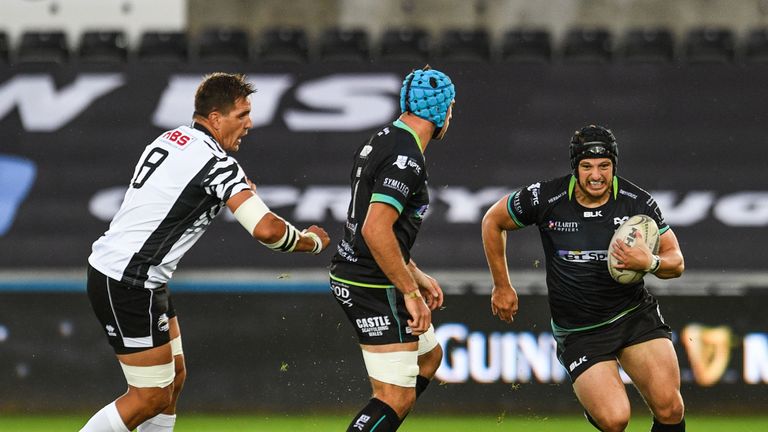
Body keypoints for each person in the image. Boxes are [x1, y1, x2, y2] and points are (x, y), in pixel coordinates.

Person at [80, 72, 330, 432]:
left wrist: (230, 192)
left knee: (175, 378)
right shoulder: (216, 163)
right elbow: (268, 231)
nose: (250, 123)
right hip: (127, 281)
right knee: (149, 396)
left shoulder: (171, 139)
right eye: (241, 115)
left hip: (140, 278)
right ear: (215, 118)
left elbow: (177, 194)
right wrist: (311, 241)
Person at [481, 124, 686, 432]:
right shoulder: (547, 197)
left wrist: (651, 261)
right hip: (580, 332)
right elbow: (492, 221)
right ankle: (596, 405)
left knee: (670, 408)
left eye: (604, 166)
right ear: (575, 167)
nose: (596, 175)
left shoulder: (636, 202)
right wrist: (501, 284)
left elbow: (676, 262)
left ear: (614, 166)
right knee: (615, 420)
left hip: (633, 317)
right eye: (587, 166)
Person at [329, 66, 455, 432]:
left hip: (358, 269)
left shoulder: (382, 139)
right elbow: (375, 228)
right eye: (451, 108)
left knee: (429, 358)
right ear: (442, 111)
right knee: (394, 396)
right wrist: (410, 292)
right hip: (371, 282)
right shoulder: (408, 159)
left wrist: (415, 272)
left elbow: (380, 228)